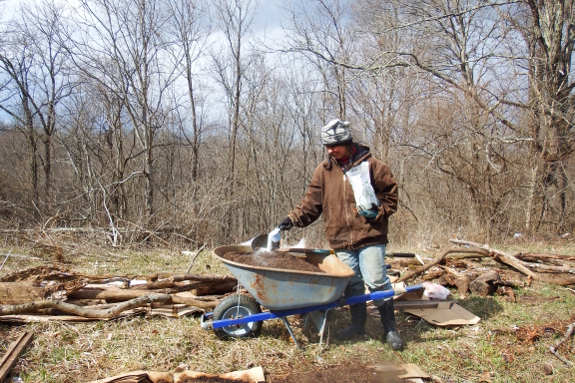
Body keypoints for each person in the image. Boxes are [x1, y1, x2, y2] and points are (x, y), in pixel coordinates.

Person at [277, 119, 403, 350]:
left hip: (370, 234)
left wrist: (378, 212)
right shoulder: (324, 172)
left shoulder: (373, 166)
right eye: (326, 146)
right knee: (353, 284)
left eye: (334, 145)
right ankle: (358, 325)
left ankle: (390, 330)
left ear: (347, 142)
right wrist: (292, 219)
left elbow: (391, 198)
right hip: (341, 239)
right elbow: (310, 204)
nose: (330, 150)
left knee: (376, 280)